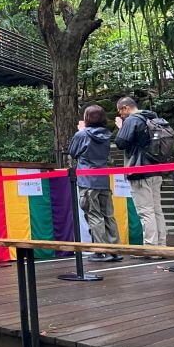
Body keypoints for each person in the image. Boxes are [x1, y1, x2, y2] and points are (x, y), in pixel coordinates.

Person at [69, 105, 122, 262]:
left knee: (93, 214)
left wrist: (80, 130)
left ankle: (100, 250)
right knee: (108, 215)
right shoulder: (107, 134)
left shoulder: (82, 134)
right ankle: (115, 250)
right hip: (103, 178)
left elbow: (73, 152)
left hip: (87, 179)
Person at [114, 96, 167, 250]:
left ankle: (150, 246)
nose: (121, 114)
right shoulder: (152, 117)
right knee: (157, 209)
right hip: (156, 169)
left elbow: (120, 143)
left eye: (120, 111)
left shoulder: (132, 120)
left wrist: (121, 126)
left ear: (125, 108)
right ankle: (162, 245)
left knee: (146, 211)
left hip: (140, 170)